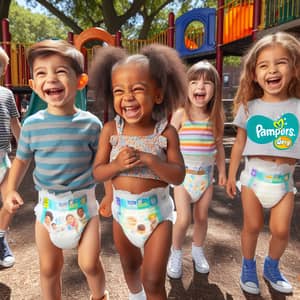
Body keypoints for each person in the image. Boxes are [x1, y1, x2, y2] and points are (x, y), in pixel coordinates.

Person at [3, 40, 108, 300]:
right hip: (48, 208)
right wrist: (10, 189)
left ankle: (100, 296)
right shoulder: (32, 125)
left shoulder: (91, 124)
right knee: (49, 268)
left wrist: (113, 193)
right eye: (42, 73)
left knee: (90, 263)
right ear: (34, 86)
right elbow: (21, 159)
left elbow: (103, 164)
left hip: (85, 206)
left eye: (61, 71)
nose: (51, 78)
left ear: (80, 81)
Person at [89, 44, 187, 300]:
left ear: (157, 94)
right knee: (129, 266)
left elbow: (178, 176)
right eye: (119, 91)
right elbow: (98, 172)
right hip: (123, 214)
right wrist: (118, 166)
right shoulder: (111, 130)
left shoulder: (166, 132)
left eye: (137, 89)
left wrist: (151, 160)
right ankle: (135, 296)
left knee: (153, 280)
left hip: (158, 215)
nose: (127, 97)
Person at [226, 32, 300, 295]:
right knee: (252, 226)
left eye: (281, 62)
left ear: (295, 68)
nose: (272, 69)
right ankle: (248, 266)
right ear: (254, 74)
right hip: (254, 179)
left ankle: (272, 266)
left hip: (284, 182)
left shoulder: (298, 107)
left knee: (281, 231)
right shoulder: (249, 106)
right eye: (264, 65)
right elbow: (238, 144)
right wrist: (231, 174)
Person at [167, 61, 226, 279]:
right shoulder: (181, 114)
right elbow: (169, 143)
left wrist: (223, 172)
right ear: (186, 87)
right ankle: (175, 252)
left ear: (215, 89)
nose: (200, 87)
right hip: (183, 177)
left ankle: (198, 250)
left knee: (201, 217)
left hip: (206, 178)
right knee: (183, 219)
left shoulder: (215, 117)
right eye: (194, 81)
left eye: (207, 82)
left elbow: (219, 146)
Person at [0, 46, 21, 268]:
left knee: (10, 202)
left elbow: (15, 124)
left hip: (2, 159)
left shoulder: (6, 95)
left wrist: (26, 146)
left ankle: (0, 237)